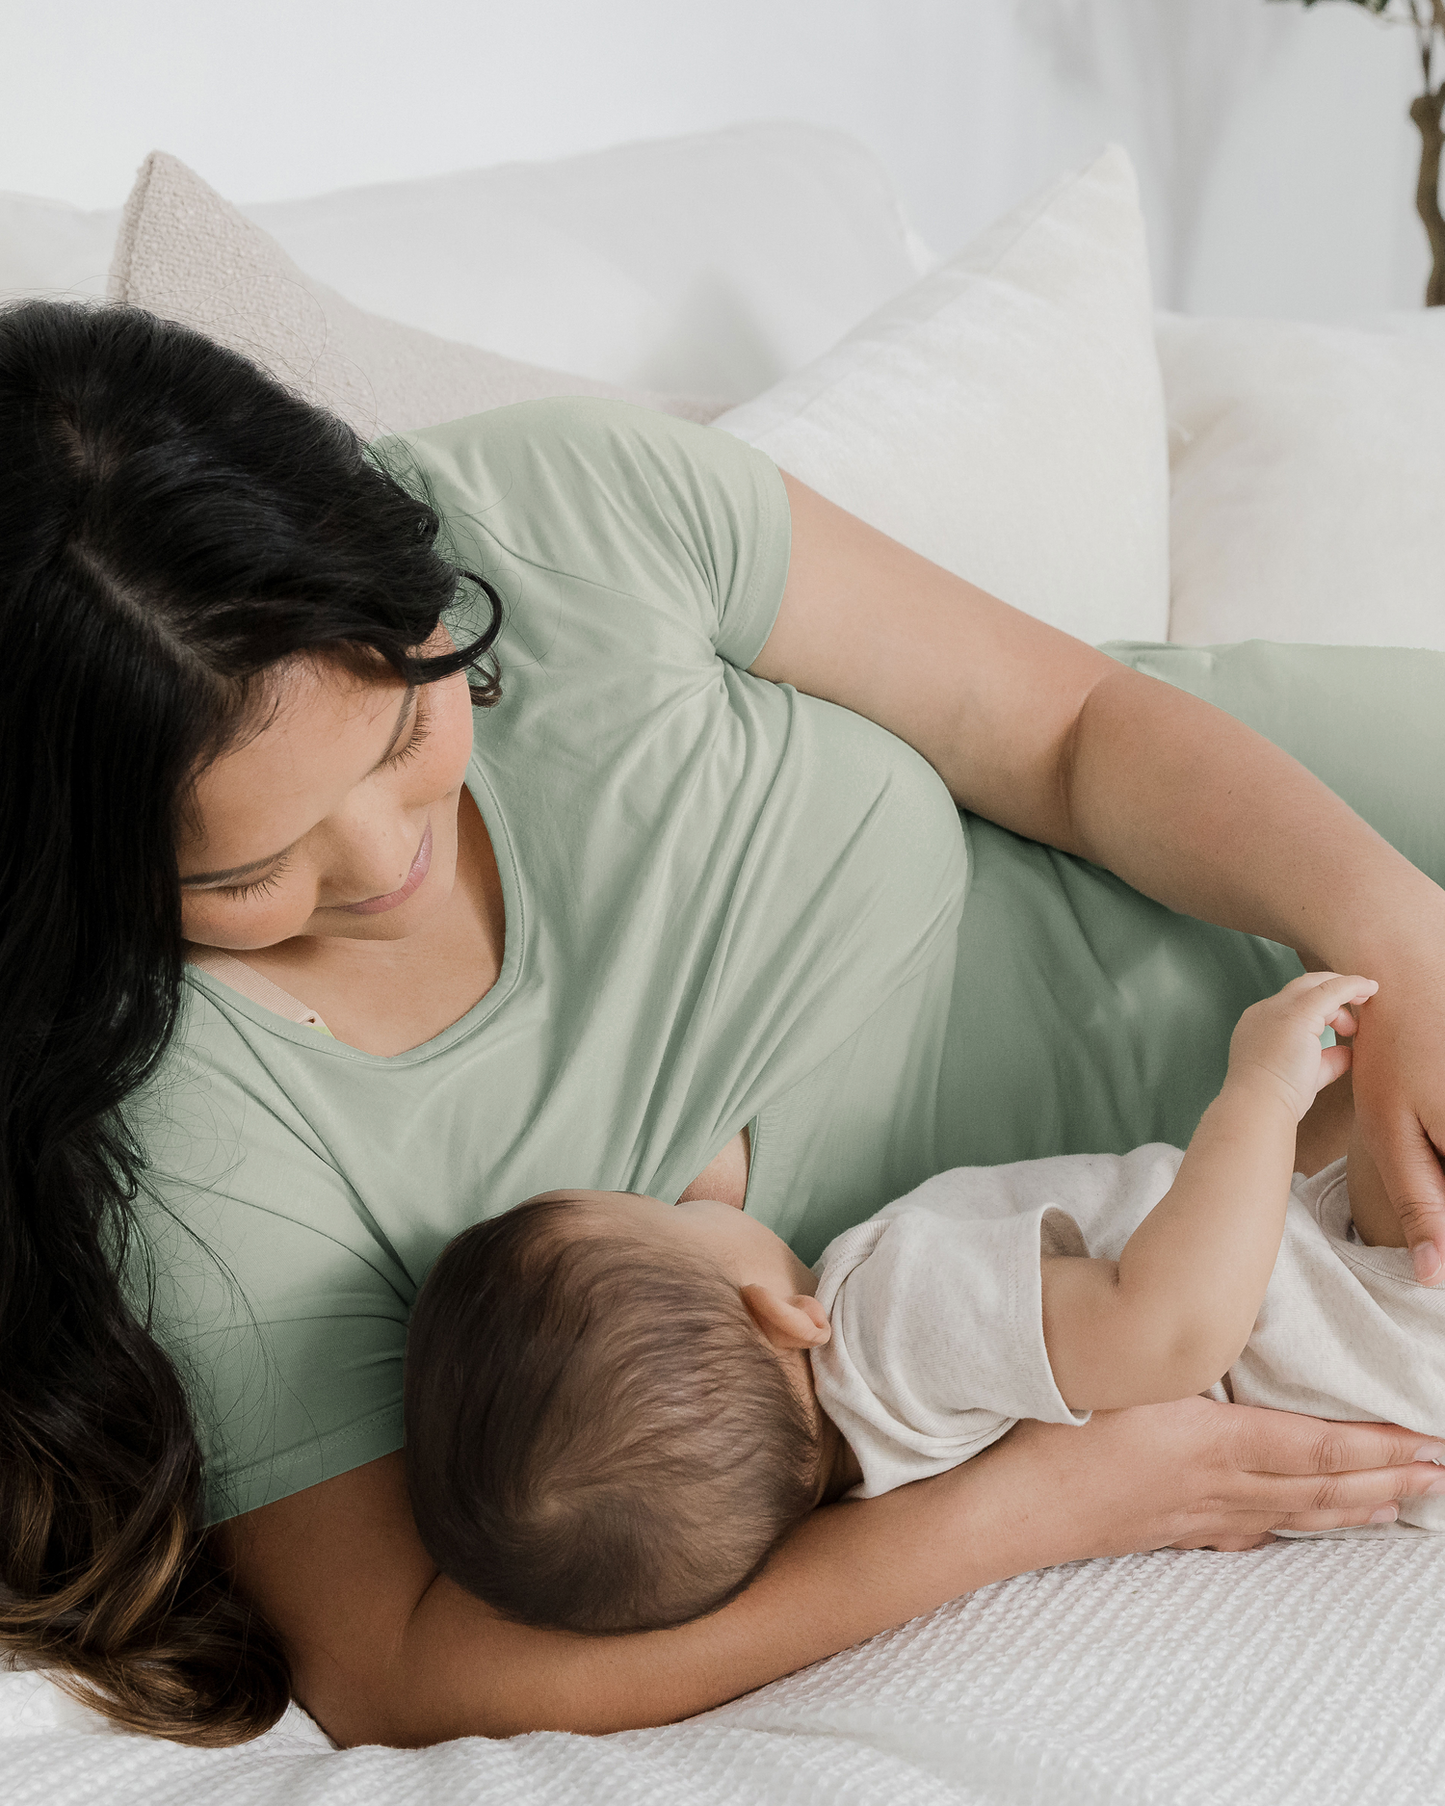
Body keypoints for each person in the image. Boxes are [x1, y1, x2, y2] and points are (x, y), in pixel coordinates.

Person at [3, 298, 1445, 1751]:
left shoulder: (555, 511)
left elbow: (1073, 730)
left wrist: (1397, 933)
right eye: (247, 871)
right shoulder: (185, 1109)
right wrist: (1032, 1507)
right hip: (1262, 1248)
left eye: (403, 730)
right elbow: (400, 1656)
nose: (385, 866)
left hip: (1301, 861)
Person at [405, 970, 1445, 1638]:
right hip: (1367, 1307)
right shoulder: (884, 1314)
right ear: (777, 1313)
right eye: (664, 1215)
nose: (683, 1193)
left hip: (1356, 1356)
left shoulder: (875, 1482)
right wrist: (1257, 1094)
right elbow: (1171, 1329)